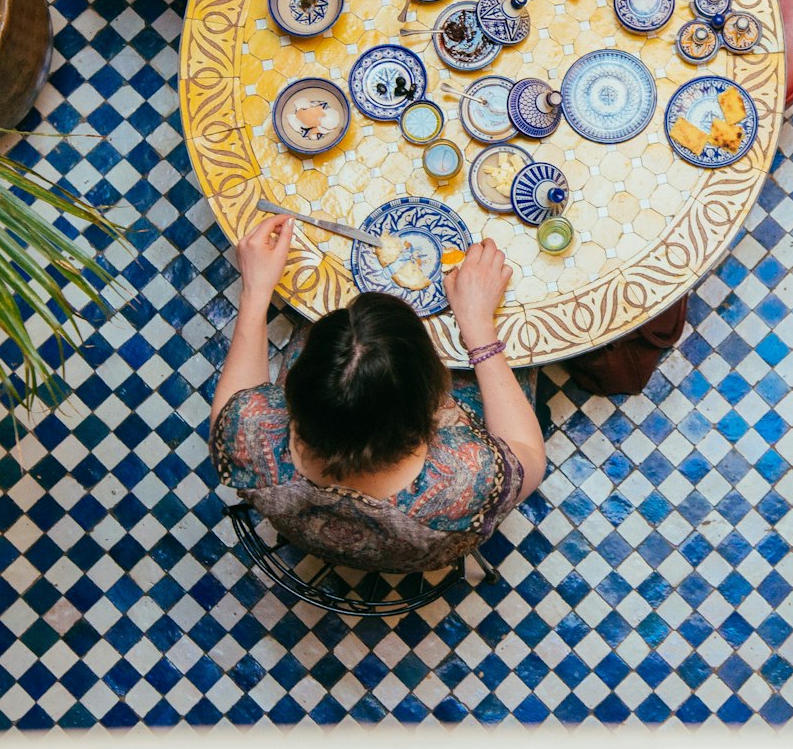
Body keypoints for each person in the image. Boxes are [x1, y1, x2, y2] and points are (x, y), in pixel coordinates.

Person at [208, 216, 546, 574]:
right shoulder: (466, 478)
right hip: (419, 547)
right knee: (519, 354)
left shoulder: (245, 429)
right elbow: (529, 458)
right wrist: (478, 326)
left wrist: (256, 292)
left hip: (303, 528)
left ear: (297, 390)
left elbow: (232, 405)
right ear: (434, 395)